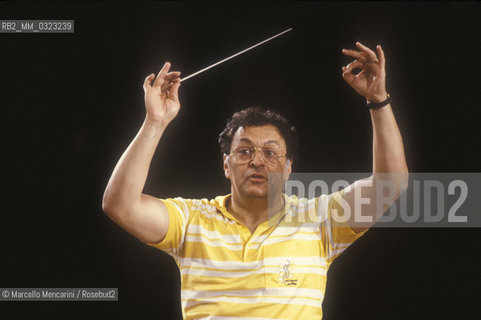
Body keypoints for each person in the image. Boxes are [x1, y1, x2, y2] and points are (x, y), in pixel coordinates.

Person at [102, 42, 408, 320]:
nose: (257, 161)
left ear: (289, 168)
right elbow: (120, 205)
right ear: (226, 165)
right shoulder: (191, 221)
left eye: (270, 153)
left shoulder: (319, 220)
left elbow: (390, 185)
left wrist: (378, 100)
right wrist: (155, 121)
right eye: (244, 151)